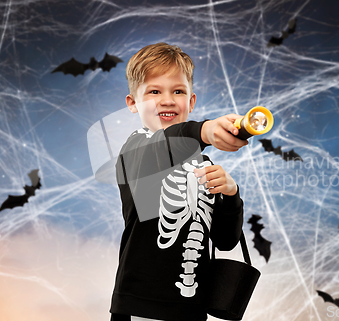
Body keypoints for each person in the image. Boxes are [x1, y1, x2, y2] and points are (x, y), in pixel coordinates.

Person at [110, 43, 248, 321]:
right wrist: (204, 129)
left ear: (191, 101)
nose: (167, 99)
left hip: (193, 307)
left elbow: (225, 240)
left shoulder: (203, 164)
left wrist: (231, 195)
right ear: (133, 103)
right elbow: (169, 144)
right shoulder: (135, 151)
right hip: (142, 306)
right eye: (154, 91)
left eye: (178, 91)